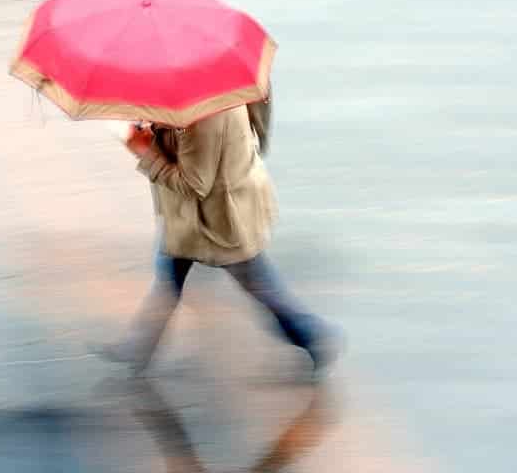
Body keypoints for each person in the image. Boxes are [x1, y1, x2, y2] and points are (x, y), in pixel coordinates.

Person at [94, 102, 340, 376]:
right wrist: (159, 125)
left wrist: (144, 151)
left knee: (259, 286)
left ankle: (312, 336)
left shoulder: (204, 116)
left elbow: (195, 183)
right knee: (169, 274)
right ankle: (138, 346)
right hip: (197, 216)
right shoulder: (221, 92)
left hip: (218, 223)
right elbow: (259, 122)